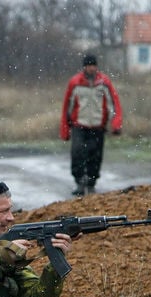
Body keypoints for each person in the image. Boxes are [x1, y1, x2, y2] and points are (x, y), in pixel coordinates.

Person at [60, 53, 123, 196]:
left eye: (93, 65)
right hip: (79, 125)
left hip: (98, 126)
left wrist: (116, 123)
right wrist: (65, 129)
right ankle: (79, 182)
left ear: (97, 66)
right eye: (89, 66)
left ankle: (91, 183)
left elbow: (114, 104)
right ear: (84, 67)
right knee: (77, 153)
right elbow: (66, 107)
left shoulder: (104, 82)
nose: (91, 68)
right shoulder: (75, 83)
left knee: (95, 156)